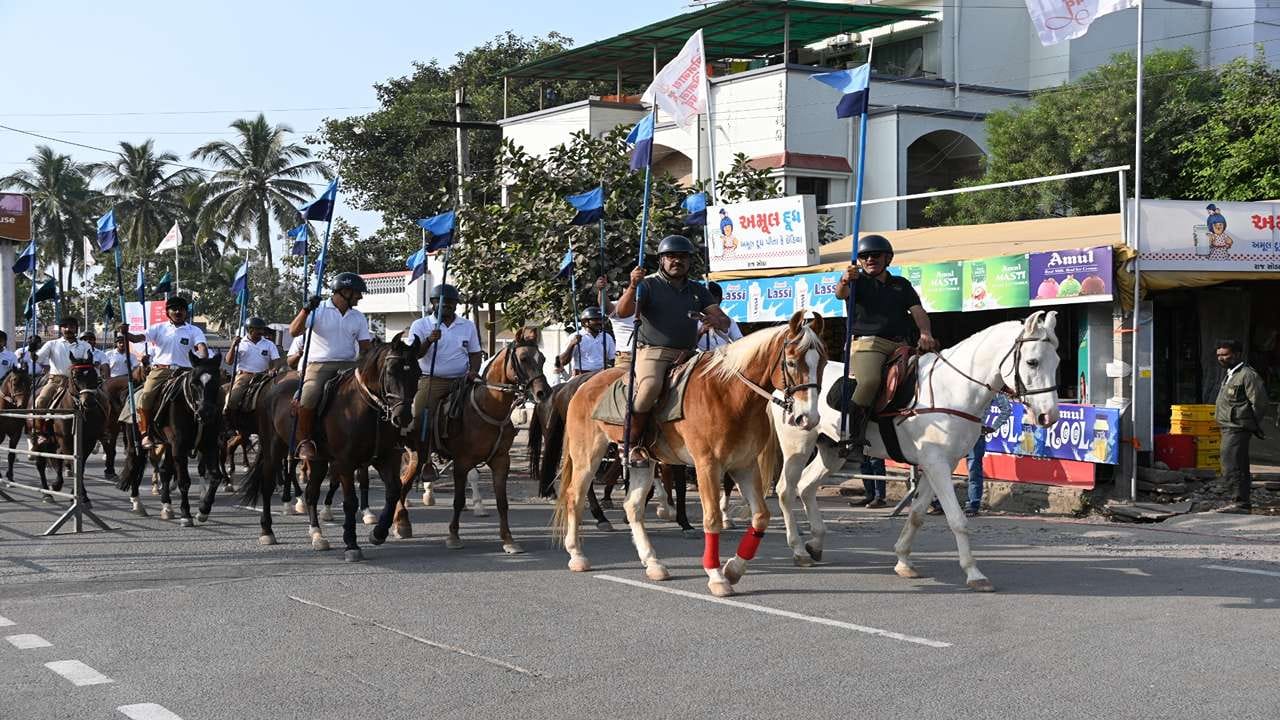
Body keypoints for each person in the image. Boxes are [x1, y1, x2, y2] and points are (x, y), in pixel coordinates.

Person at [613, 234, 731, 466]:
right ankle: (630, 443)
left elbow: (722, 318)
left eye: (683, 257)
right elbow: (623, 312)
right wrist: (633, 286)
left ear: (689, 261)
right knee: (649, 388)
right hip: (653, 352)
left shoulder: (699, 289)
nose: (677, 261)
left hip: (688, 353)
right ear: (661, 260)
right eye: (671, 256)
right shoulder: (647, 285)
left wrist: (716, 320)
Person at [834, 234, 939, 456]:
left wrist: (925, 332)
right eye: (864, 256)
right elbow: (840, 294)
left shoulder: (901, 285)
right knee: (870, 381)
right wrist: (844, 280)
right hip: (868, 344)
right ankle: (852, 435)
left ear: (888, 258)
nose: (870, 259)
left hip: (901, 344)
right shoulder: (856, 281)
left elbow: (918, 311)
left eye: (875, 255)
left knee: (930, 372)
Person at [288, 272, 372, 460]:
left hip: (350, 365)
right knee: (309, 394)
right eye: (358, 293)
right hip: (320, 365)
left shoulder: (358, 317)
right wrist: (306, 310)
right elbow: (293, 331)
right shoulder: (318, 311)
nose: (360, 297)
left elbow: (365, 347)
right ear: (345, 291)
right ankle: (305, 441)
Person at [408, 283, 481, 478]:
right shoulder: (421, 325)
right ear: (433, 304)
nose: (446, 306)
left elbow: (475, 353)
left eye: (451, 303)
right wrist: (429, 340)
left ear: (456, 305)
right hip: (432, 379)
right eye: (441, 302)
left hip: (462, 379)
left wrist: (474, 371)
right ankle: (425, 461)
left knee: (482, 409)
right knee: (420, 416)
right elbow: (414, 354)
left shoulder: (467, 326)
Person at [119, 295, 209, 448]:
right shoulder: (158, 327)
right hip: (161, 371)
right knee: (145, 396)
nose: (178, 312)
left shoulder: (194, 330)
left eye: (181, 309)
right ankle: (145, 434)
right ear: (168, 312)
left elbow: (202, 348)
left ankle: (214, 432)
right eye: (174, 309)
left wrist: (203, 358)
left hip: (186, 371)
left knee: (209, 394)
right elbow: (136, 338)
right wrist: (126, 333)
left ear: (186, 312)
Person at [1214, 339, 1269, 513]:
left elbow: (1259, 403)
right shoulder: (1231, 374)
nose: (1221, 358)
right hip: (1229, 426)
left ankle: (1239, 503)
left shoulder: (1247, 375)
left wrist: (1250, 424)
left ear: (1237, 354)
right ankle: (1240, 501)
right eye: (1219, 355)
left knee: (1232, 464)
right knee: (1235, 463)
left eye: (1225, 355)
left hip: (1237, 427)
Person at [32, 317, 94, 437]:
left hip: (80, 383)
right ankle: (39, 432)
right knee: (41, 400)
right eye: (65, 326)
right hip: (57, 381)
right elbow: (37, 359)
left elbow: (88, 363)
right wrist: (32, 349)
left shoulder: (85, 345)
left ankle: (102, 430)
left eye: (71, 327)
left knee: (101, 399)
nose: (68, 329)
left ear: (76, 329)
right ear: (61, 329)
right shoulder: (52, 344)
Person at [225, 316, 281, 417]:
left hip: (264, 376)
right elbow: (229, 362)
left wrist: (274, 369)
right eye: (259, 329)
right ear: (250, 330)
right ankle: (230, 423)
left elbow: (277, 360)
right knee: (233, 398)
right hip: (244, 376)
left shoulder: (269, 344)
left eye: (262, 329)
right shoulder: (240, 343)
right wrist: (233, 346)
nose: (262, 331)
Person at [556, 306, 615, 376]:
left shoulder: (607, 337)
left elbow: (613, 358)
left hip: (601, 374)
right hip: (581, 375)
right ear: (585, 322)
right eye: (595, 319)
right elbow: (562, 361)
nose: (600, 322)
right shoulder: (574, 336)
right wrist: (572, 345)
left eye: (601, 319)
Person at [598, 276, 634, 368]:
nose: (629, 290)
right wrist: (601, 290)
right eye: (626, 287)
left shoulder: (647, 305)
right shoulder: (616, 305)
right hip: (626, 357)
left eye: (633, 286)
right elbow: (605, 307)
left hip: (650, 353)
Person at [698, 281, 744, 351]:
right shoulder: (693, 319)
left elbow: (740, 343)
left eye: (712, 299)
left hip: (725, 358)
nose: (709, 303)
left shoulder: (729, 321)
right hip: (701, 360)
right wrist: (701, 331)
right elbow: (686, 346)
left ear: (720, 299)